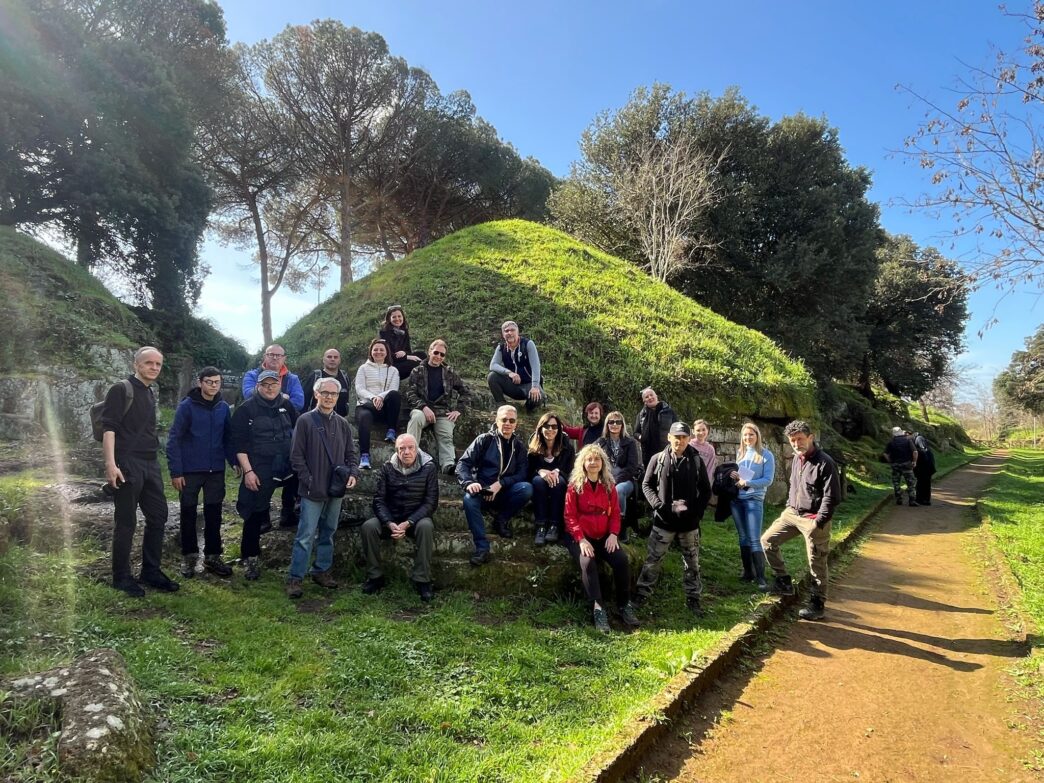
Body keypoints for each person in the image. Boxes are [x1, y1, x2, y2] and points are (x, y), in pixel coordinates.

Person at [100, 346, 180, 596]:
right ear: (137, 364)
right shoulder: (121, 389)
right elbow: (109, 428)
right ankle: (121, 576)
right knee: (126, 521)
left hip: (150, 463)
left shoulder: (149, 392)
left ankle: (150, 571)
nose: (154, 368)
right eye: (149, 363)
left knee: (158, 516)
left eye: (158, 364)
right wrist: (111, 465)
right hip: (127, 463)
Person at [285, 376, 359, 599]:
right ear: (316, 394)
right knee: (305, 535)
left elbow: (351, 454)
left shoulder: (343, 424)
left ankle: (321, 570)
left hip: (335, 488)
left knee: (329, 532)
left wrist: (353, 474)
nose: (329, 397)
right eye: (324, 393)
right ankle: (295, 578)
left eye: (333, 394)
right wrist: (308, 480)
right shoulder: (305, 421)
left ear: (338, 397)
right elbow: (296, 456)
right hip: (311, 489)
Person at [761, 420, 841, 621]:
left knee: (817, 562)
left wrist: (819, 521)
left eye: (800, 439)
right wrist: (789, 505)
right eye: (792, 440)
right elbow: (795, 485)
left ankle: (817, 603)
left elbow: (832, 497)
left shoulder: (825, 462)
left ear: (810, 437)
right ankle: (783, 581)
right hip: (792, 514)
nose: (796, 444)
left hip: (813, 519)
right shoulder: (797, 459)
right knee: (767, 541)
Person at [634, 421, 712, 617]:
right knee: (653, 560)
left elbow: (705, 489)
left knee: (692, 562)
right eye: (677, 437)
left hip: (689, 524)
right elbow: (646, 485)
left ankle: (693, 599)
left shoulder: (695, 459)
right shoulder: (658, 459)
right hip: (664, 522)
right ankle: (642, 594)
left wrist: (696, 512)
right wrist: (659, 506)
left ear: (688, 438)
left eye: (684, 437)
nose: (680, 441)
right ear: (669, 437)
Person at [166, 366, 235, 579]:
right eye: (209, 382)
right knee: (188, 513)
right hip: (190, 471)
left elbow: (228, 438)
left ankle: (212, 557)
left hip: (215, 471)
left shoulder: (223, 408)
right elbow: (174, 439)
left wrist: (234, 462)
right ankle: (189, 557)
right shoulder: (187, 407)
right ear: (200, 383)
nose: (213, 385)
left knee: (214, 515)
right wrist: (176, 471)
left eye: (217, 382)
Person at [231, 369, 299, 581]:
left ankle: (289, 519)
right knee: (253, 510)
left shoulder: (287, 406)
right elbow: (239, 445)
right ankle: (250, 557)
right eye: (265, 384)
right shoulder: (245, 409)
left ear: (280, 385)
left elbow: (298, 433)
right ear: (258, 386)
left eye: (274, 384)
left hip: (287, 463)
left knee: (301, 490)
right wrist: (248, 471)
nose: (270, 388)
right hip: (260, 465)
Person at [564, 445, 640, 633]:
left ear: (602, 463)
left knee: (621, 560)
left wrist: (614, 534)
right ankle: (598, 609)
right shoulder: (574, 487)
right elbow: (569, 516)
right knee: (588, 562)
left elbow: (615, 514)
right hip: (581, 536)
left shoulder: (609, 486)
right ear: (583, 463)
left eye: (597, 459)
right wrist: (581, 539)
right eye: (589, 460)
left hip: (604, 535)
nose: (593, 463)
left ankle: (624, 604)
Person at [360, 434, 438, 602]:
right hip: (391, 518)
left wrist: (408, 522)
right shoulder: (387, 467)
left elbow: (431, 502)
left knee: (426, 527)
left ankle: (422, 579)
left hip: (415, 519)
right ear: (396, 450)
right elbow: (379, 500)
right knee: (368, 527)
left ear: (417, 450)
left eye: (410, 448)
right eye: (402, 448)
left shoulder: (429, 467)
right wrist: (389, 523)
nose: (406, 452)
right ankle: (375, 577)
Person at [456, 405, 533, 566]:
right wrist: (469, 483)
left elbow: (522, 473)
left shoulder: (518, 446)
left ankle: (501, 519)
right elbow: (463, 464)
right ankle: (482, 548)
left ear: (516, 424)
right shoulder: (484, 440)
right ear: (497, 421)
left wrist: (501, 484)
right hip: (482, 491)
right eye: (504, 419)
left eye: (511, 420)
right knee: (469, 500)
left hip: (505, 492)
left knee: (526, 488)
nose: (507, 423)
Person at [242, 344, 303, 527]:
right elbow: (248, 394)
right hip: (260, 439)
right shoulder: (252, 375)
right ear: (264, 357)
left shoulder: (292, 378)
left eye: (279, 355)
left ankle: (288, 512)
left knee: (295, 474)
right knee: (264, 479)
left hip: (285, 438)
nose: (275, 358)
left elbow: (298, 402)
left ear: (284, 358)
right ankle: (263, 517)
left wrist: (276, 396)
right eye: (271, 355)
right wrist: (281, 395)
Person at [404, 339, 472, 475]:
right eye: (436, 352)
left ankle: (448, 465)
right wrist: (423, 407)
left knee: (446, 434)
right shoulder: (417, 371)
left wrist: (458, 410)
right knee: (416, 418)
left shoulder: (449, 372)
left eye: (442, 354)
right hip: (422, 410)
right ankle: (409, 460)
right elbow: (410, 393)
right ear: (429, 351)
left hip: (442, 412)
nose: (439, 357)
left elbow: (466, 392)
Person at [729, 422, 775, 591]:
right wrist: (734, 475)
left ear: (757, 436)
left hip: (754, 500)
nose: (748, 438)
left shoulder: (766, 455)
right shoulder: (740, 453)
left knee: (755, 539)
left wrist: (747, 482)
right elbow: (739, 477)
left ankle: (761, 578)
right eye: (745, 435)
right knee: (743, 537)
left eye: (751, 435)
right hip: (737, 500)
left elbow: (768, 480)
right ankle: (748, 572)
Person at [527, 411, 575, 545]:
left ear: (559, 429)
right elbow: (528, 472)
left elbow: (571, 471)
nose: (550, 429)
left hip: (560, 482)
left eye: (554, 426)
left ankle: (554, 526)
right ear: (541, 428)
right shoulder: (534, 447)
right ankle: (541, 526)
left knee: (558, 482)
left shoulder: (567, 448)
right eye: (547, 426)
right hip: (540, 483)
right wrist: (540, 471)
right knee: (537, 481)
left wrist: (557, 471)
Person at [354, 338, 401, 470]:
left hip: (383, 407)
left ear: (386, 352)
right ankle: (364, 456)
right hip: (366, 405)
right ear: (371, 352)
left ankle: (391, 430)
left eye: (382, 350)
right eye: (375, 349)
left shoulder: (393, 370)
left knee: (395, 396)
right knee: (365, 417)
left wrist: (380, 397)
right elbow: (359, 388)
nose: (378, 352)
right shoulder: (363, 368)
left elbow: (393, 388)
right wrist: (374, 397)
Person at [595, 411, 643, 539]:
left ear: (622, 425)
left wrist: (615, 480)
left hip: (625, 480)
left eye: (618, 422)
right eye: (611, 422)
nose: (614, 425)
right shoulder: (601, 442)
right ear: (607, 424)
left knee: (618, 490)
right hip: (605, 478)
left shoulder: (630, 442)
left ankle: (620, 527)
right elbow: (588, 454)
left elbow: (632, 467)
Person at [487, 321, 545, 412]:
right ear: (503, 334)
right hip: (512, 385)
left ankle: (527, 410)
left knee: (538, 396)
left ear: (517, 332)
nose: (509, 333)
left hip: (528, 385)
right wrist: (509, 373)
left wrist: (535, 386)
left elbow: (536, 366)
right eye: (506, 331)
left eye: (512, 330)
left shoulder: (528, 344)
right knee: (492, 376)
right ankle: (501, 407)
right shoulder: (501, 348)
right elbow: (493, 365)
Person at [634, 387, 678, 470]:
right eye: (646, 397)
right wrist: (641, 437)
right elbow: (636, 432)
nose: (650, 398)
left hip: (666, 451)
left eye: (651, 395)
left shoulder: (669, 412)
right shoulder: (641, 415)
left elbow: (676, 428)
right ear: (644, 401)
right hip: (648, 454)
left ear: (656, 396)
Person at [379, 305, 426, 381]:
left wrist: (404, 352)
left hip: (402, 360)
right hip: (392, 366)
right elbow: (387, 356)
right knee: (417, 364)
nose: (397, 319)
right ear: (389, 319)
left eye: (399, 316)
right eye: (394, 317)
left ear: (403, 317)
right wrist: (406, 357)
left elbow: (408, 351)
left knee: (422, 355)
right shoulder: (384, 333)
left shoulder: (404, 331)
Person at [302, 348, 351, 417]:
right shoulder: (315, 376)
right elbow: (305, 400)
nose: (332, 359)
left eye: (335, 357)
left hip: (340, 421)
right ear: (323, 360)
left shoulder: (345, 377)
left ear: (339, 360)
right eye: (329, 357)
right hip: (316, 420)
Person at [883, 425, 919, 507]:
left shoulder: (891, 442)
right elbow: (915, 452)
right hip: (907, 465)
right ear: (900, 432)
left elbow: (885, 454)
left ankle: (899, 499)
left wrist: (890, 461)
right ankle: (912, 500)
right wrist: (914, 461)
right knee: (911, 483)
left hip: (895, 465)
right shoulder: (908, 440)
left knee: (896, 483)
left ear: (893, 434)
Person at [691, 419, 717, 487]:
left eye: (703, 430)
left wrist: (707, 485)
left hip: (703, 482)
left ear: (707, 430)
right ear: (693, 431)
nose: (701, 433)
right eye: (698, 430)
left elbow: (710, 469)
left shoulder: (710, 449)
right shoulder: (688, 446)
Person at [913, 431, 936, 505]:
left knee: (921, 482)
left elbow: (923, 450)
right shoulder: (921, 439)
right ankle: (925, 500)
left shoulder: (919, 439)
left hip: (925, 465)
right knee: (925, 482)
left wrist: (922, 462)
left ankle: (921, 499)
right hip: (927, 465)